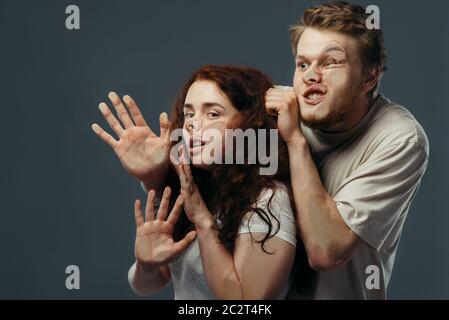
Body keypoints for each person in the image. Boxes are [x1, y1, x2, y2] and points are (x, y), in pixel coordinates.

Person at [264, 1, 429, 299]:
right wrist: (158, 174)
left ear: (369, 78)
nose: (310, 76)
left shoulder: (399, 137)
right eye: (303, 64)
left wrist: (295, 142)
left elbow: (326, 251)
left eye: (331, 63)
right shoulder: (271, 111)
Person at [92, 65, 300, 299]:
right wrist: (146, 265)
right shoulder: (194, 185)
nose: (193, 125)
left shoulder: (269, 199)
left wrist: (202, 220)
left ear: (251, 123)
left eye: (213, 114)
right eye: (189, 114)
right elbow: (148, 283)